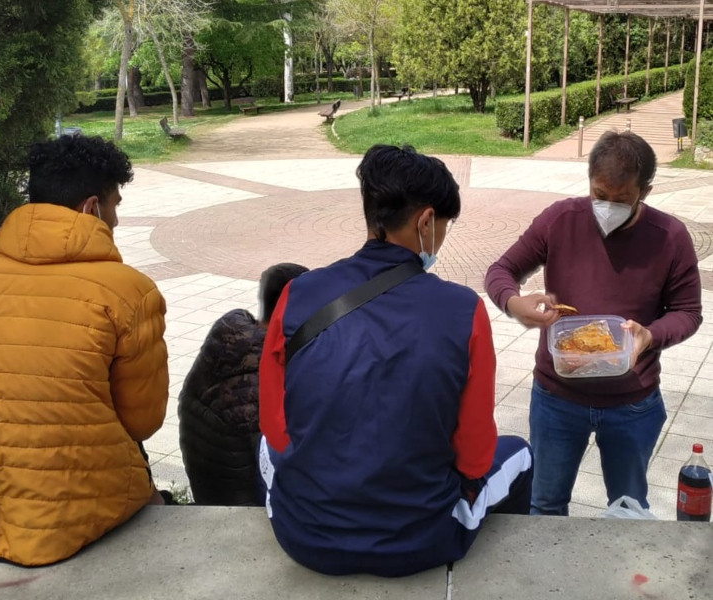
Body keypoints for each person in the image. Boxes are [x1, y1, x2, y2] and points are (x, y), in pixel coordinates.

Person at [258, 144, 533, 577]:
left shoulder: (298, 293)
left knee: (263, 447)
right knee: (519, 454)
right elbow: (475, 454)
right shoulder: (464, 310)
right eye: (443, 226)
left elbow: (275, 425)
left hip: (303, 535)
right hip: (422, 540)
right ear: (426, 220)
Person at [0, 135, 169, 566]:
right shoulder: (129, 291)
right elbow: (142, 422)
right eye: (115, 205)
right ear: (91, 208)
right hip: (76, 519)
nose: (117, 220)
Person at [485, 130, 702, 516]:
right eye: (599, 195)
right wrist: (515, 303)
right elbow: (501, 270)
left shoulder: (670, 237)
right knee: (545, 503)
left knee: (629, 507)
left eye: (621, 200)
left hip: (633, 401)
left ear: (645, 192)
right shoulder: (560, 220)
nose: (607, 206)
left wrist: (649, 335)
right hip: (556, 397)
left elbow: (688, 311)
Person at [178, 263, 309, 506]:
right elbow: (284, 464)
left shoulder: (229, 338)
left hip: (206, 483)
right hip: (239, 503)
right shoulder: (266, 373)